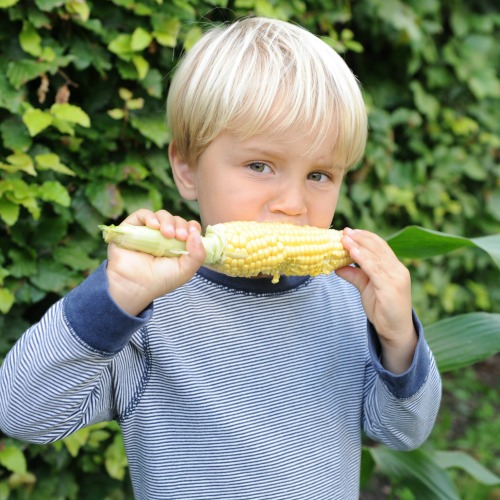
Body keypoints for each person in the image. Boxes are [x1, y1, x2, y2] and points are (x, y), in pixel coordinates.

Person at [0, 17, 441, 499]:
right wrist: (117, 297)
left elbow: (403, 431)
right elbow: (22, 412)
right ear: (187, 169)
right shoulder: (151, 311)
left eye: (320, 175)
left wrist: (398, 338)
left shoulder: (345, 303)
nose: (293, 203)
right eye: (259, 166)